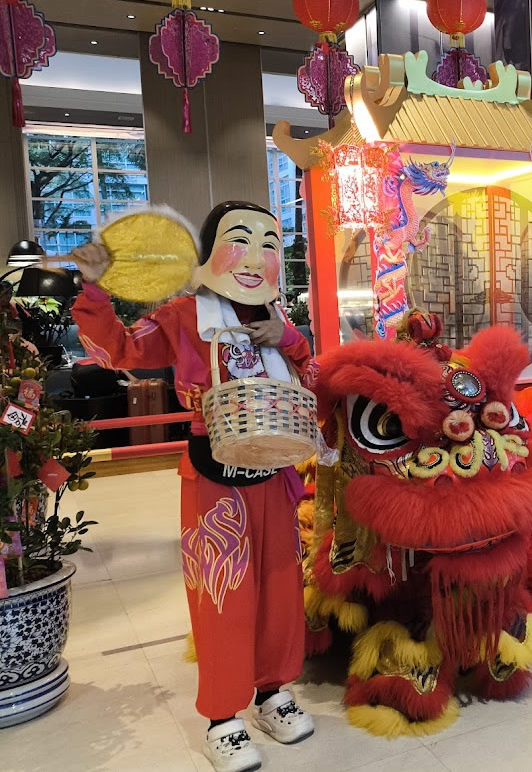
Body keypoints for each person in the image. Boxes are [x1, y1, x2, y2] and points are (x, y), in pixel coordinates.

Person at [72, 202, 317, 772]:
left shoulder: (278, 317)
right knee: (222, 591)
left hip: (274, 470)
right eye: (239, 241)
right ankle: (222, 718)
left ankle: (272, 691)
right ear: (209, 253)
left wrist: (290, 339)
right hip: (214, 476)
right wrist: (94, 288)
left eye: (269, 244)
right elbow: (119, 350)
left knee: (281, 588)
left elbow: (313, 380)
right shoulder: (185, 315)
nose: (255, 258)